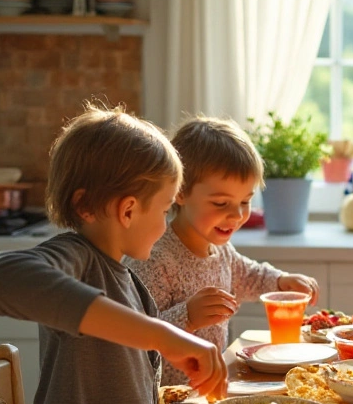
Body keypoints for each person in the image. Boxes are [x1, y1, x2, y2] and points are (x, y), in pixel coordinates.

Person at [0, 105, 227, 404]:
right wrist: (166, 336)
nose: (166, 225)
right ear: (127, 211)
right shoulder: (77, 259)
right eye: (164, 210)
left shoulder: (125, 275)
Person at [127, 116, 319, 384]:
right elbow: (133, 337)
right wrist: (187, 317)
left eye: (245, 201)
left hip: (207, 389)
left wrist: (280, 280)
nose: (237, 214)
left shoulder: (222, 252)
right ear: (179, 192)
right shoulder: (156, 258)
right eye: (220, 203)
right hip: (166, 401)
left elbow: (250, 276)